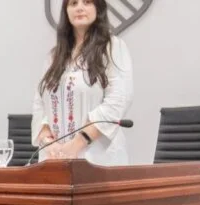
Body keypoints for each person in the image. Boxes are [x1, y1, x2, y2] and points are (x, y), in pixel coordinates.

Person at [32, 0, 133, 165]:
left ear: (98, 8)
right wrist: (49, 143)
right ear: (66, 11)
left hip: (97, 159)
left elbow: (118, 100)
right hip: (54, 159)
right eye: (73, 3)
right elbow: (39, 104)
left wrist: (75, 145)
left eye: (87, 2)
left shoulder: (112, 48)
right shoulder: (54, 56)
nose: (79, 8)